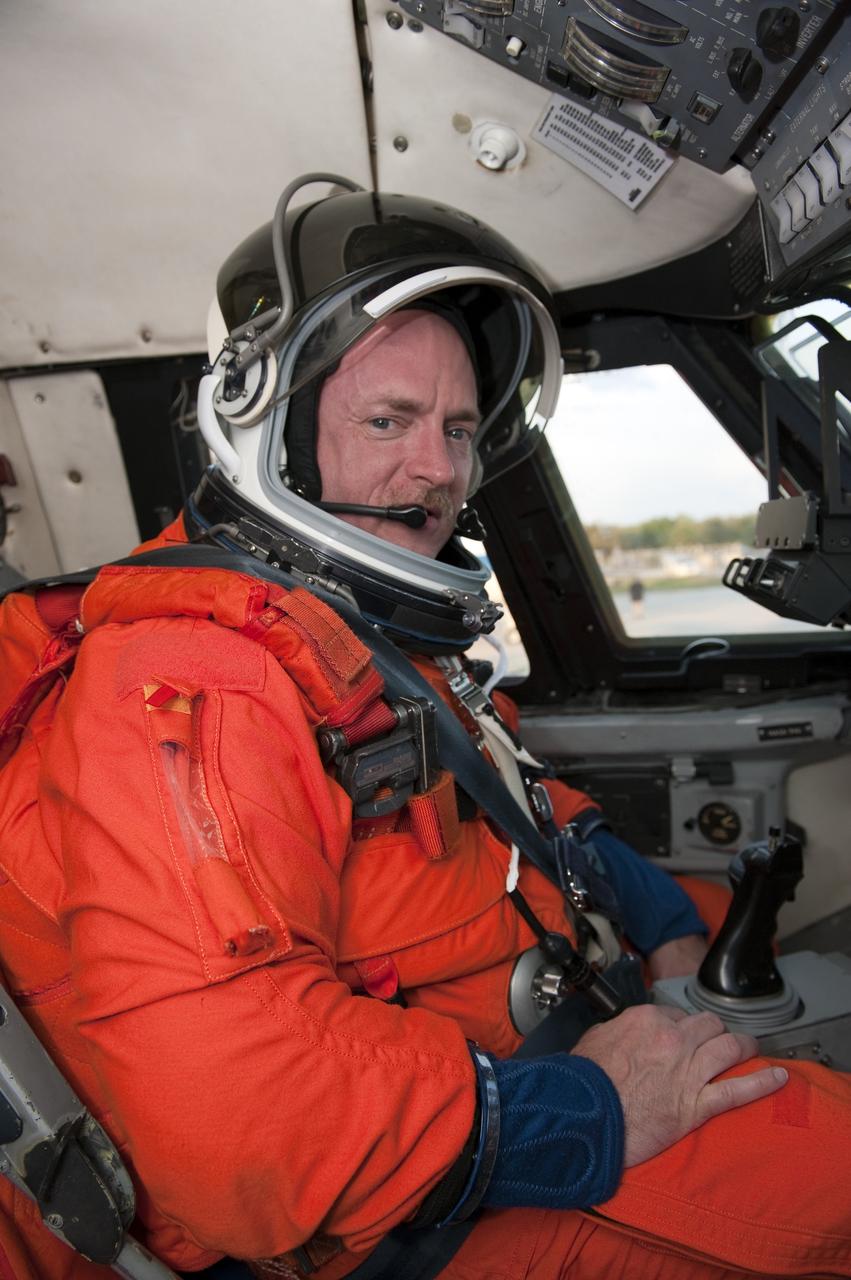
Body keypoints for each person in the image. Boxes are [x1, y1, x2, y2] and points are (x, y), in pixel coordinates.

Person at [0, 177, 849, 1280]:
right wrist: (582, 1111)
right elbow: (239, 1117)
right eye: (389, 421)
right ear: (272, 431)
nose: (439, 471)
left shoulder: (343, 636)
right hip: (413, 1209)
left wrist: (649, 911)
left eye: (456, 427)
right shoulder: (189, 684)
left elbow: (514, 811)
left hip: (521, 1060)